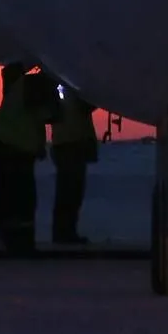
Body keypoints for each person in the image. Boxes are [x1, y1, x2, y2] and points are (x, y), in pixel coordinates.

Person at [0, 64, 44, 253]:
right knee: (22, 198)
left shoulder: (13, 96)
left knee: (9, 198)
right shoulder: (26, 90)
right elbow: (45, 116)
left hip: (7, 149)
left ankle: (11, 238)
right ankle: (20, 240)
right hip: (17, 151)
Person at [50, 85, 98, 244]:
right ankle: (65, 233)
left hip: (64, 142)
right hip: (72, 142)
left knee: (67, 191)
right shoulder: (73, 88)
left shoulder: (60, 86)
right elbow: (87, 106)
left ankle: (63, 232)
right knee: (71, 192)